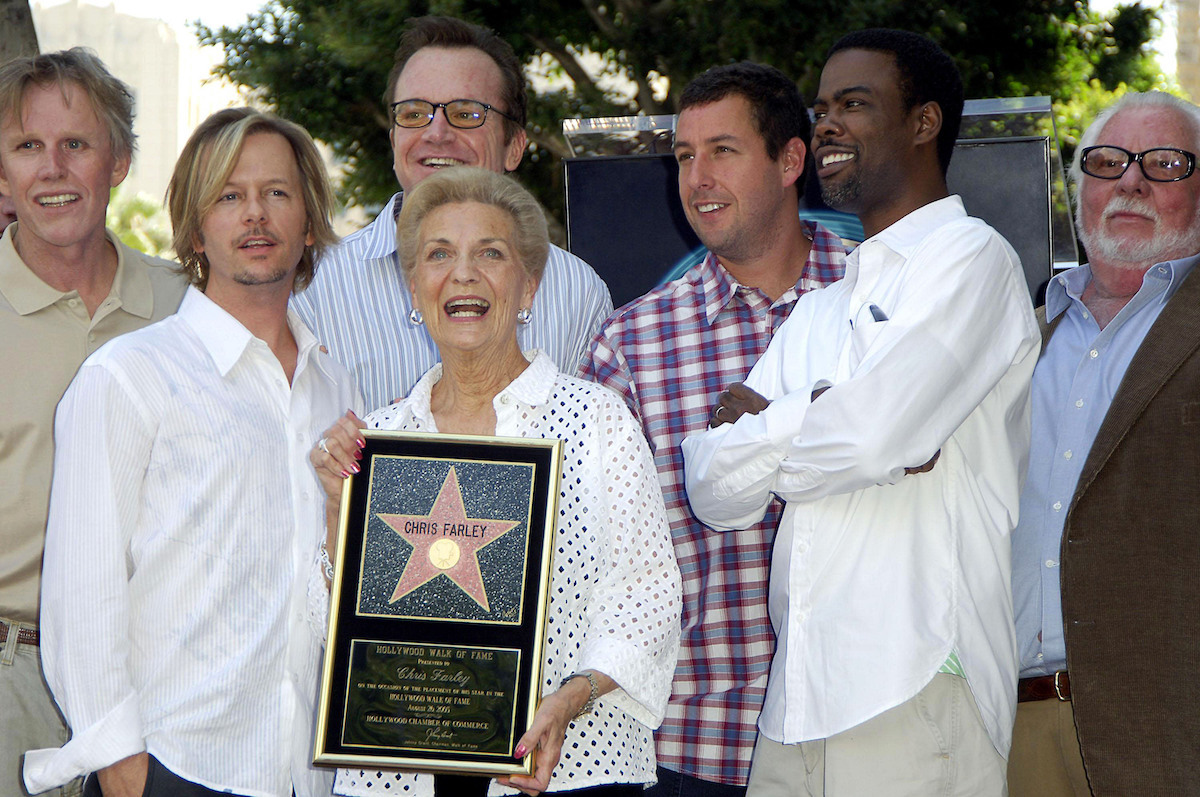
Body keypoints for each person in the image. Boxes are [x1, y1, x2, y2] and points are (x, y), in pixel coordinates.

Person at [682, 29, 1040, 796]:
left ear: (923, 123)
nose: (826, 126)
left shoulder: (974, 262)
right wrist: (807, 416)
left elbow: (871, 437)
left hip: (916, 684)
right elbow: (712, 489)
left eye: (853, 103)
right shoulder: (820, 309)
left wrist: (770, 425)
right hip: (796, 704)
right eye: (820, 108)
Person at [21, 108, 359, 797]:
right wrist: (123, 765)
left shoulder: (337, 384)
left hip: (313, 770)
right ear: (196, 226)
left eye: (277, 193)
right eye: (229, 196)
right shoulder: (130, 376)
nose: (255, 215)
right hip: (180, 765)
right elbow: (80, 596)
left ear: (309, 217)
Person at [314, 166, 681, 797]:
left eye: (490, 253)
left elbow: (647, 596)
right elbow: (342, 627)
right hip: (398, 777)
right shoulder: (379, 441)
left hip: (571, 769)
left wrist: (572, 699)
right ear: (413, 286)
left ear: (529, 284)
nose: (463, 273)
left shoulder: (595, 422)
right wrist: (335, 506)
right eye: (438, 255)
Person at [579, 62, 844, 796]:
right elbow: (604, 557)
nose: (697, 177)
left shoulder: (876, 302)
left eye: (722, 150)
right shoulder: (632, 343)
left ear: (791, 159)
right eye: (685, 156)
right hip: (696, 747)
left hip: (862, 727)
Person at [0, 48, 186, 797]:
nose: (52, 169)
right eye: (27, 146)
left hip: (159, 682)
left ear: (119, 162)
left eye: (76, 144)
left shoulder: (188, 309)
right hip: (14, 675)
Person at [1008, 91, 1200, 797]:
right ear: (1079, 185)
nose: (1131, 180)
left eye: (1165, 163)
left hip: (1172, 734)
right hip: (1010, 728)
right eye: (1108, 161)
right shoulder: (1013, 339)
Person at [293, 15, 612, 411]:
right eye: (413, 114)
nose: (436, 133)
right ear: (394, 139)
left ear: (514, 146)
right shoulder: (313, 288)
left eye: (465, 113)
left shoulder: (577, 292)